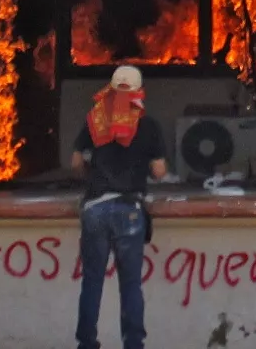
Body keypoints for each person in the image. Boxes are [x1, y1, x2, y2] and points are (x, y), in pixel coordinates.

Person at [71, 65, 168, 349]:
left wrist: (91, 169)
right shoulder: (148, 125)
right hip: (129, 210)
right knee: (130, 286)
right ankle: (134, 344)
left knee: (92, 282)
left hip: (95, 209)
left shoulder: (94, 120)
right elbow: (160, 171)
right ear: (139, 92)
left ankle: (86, 344)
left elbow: (76, 163)